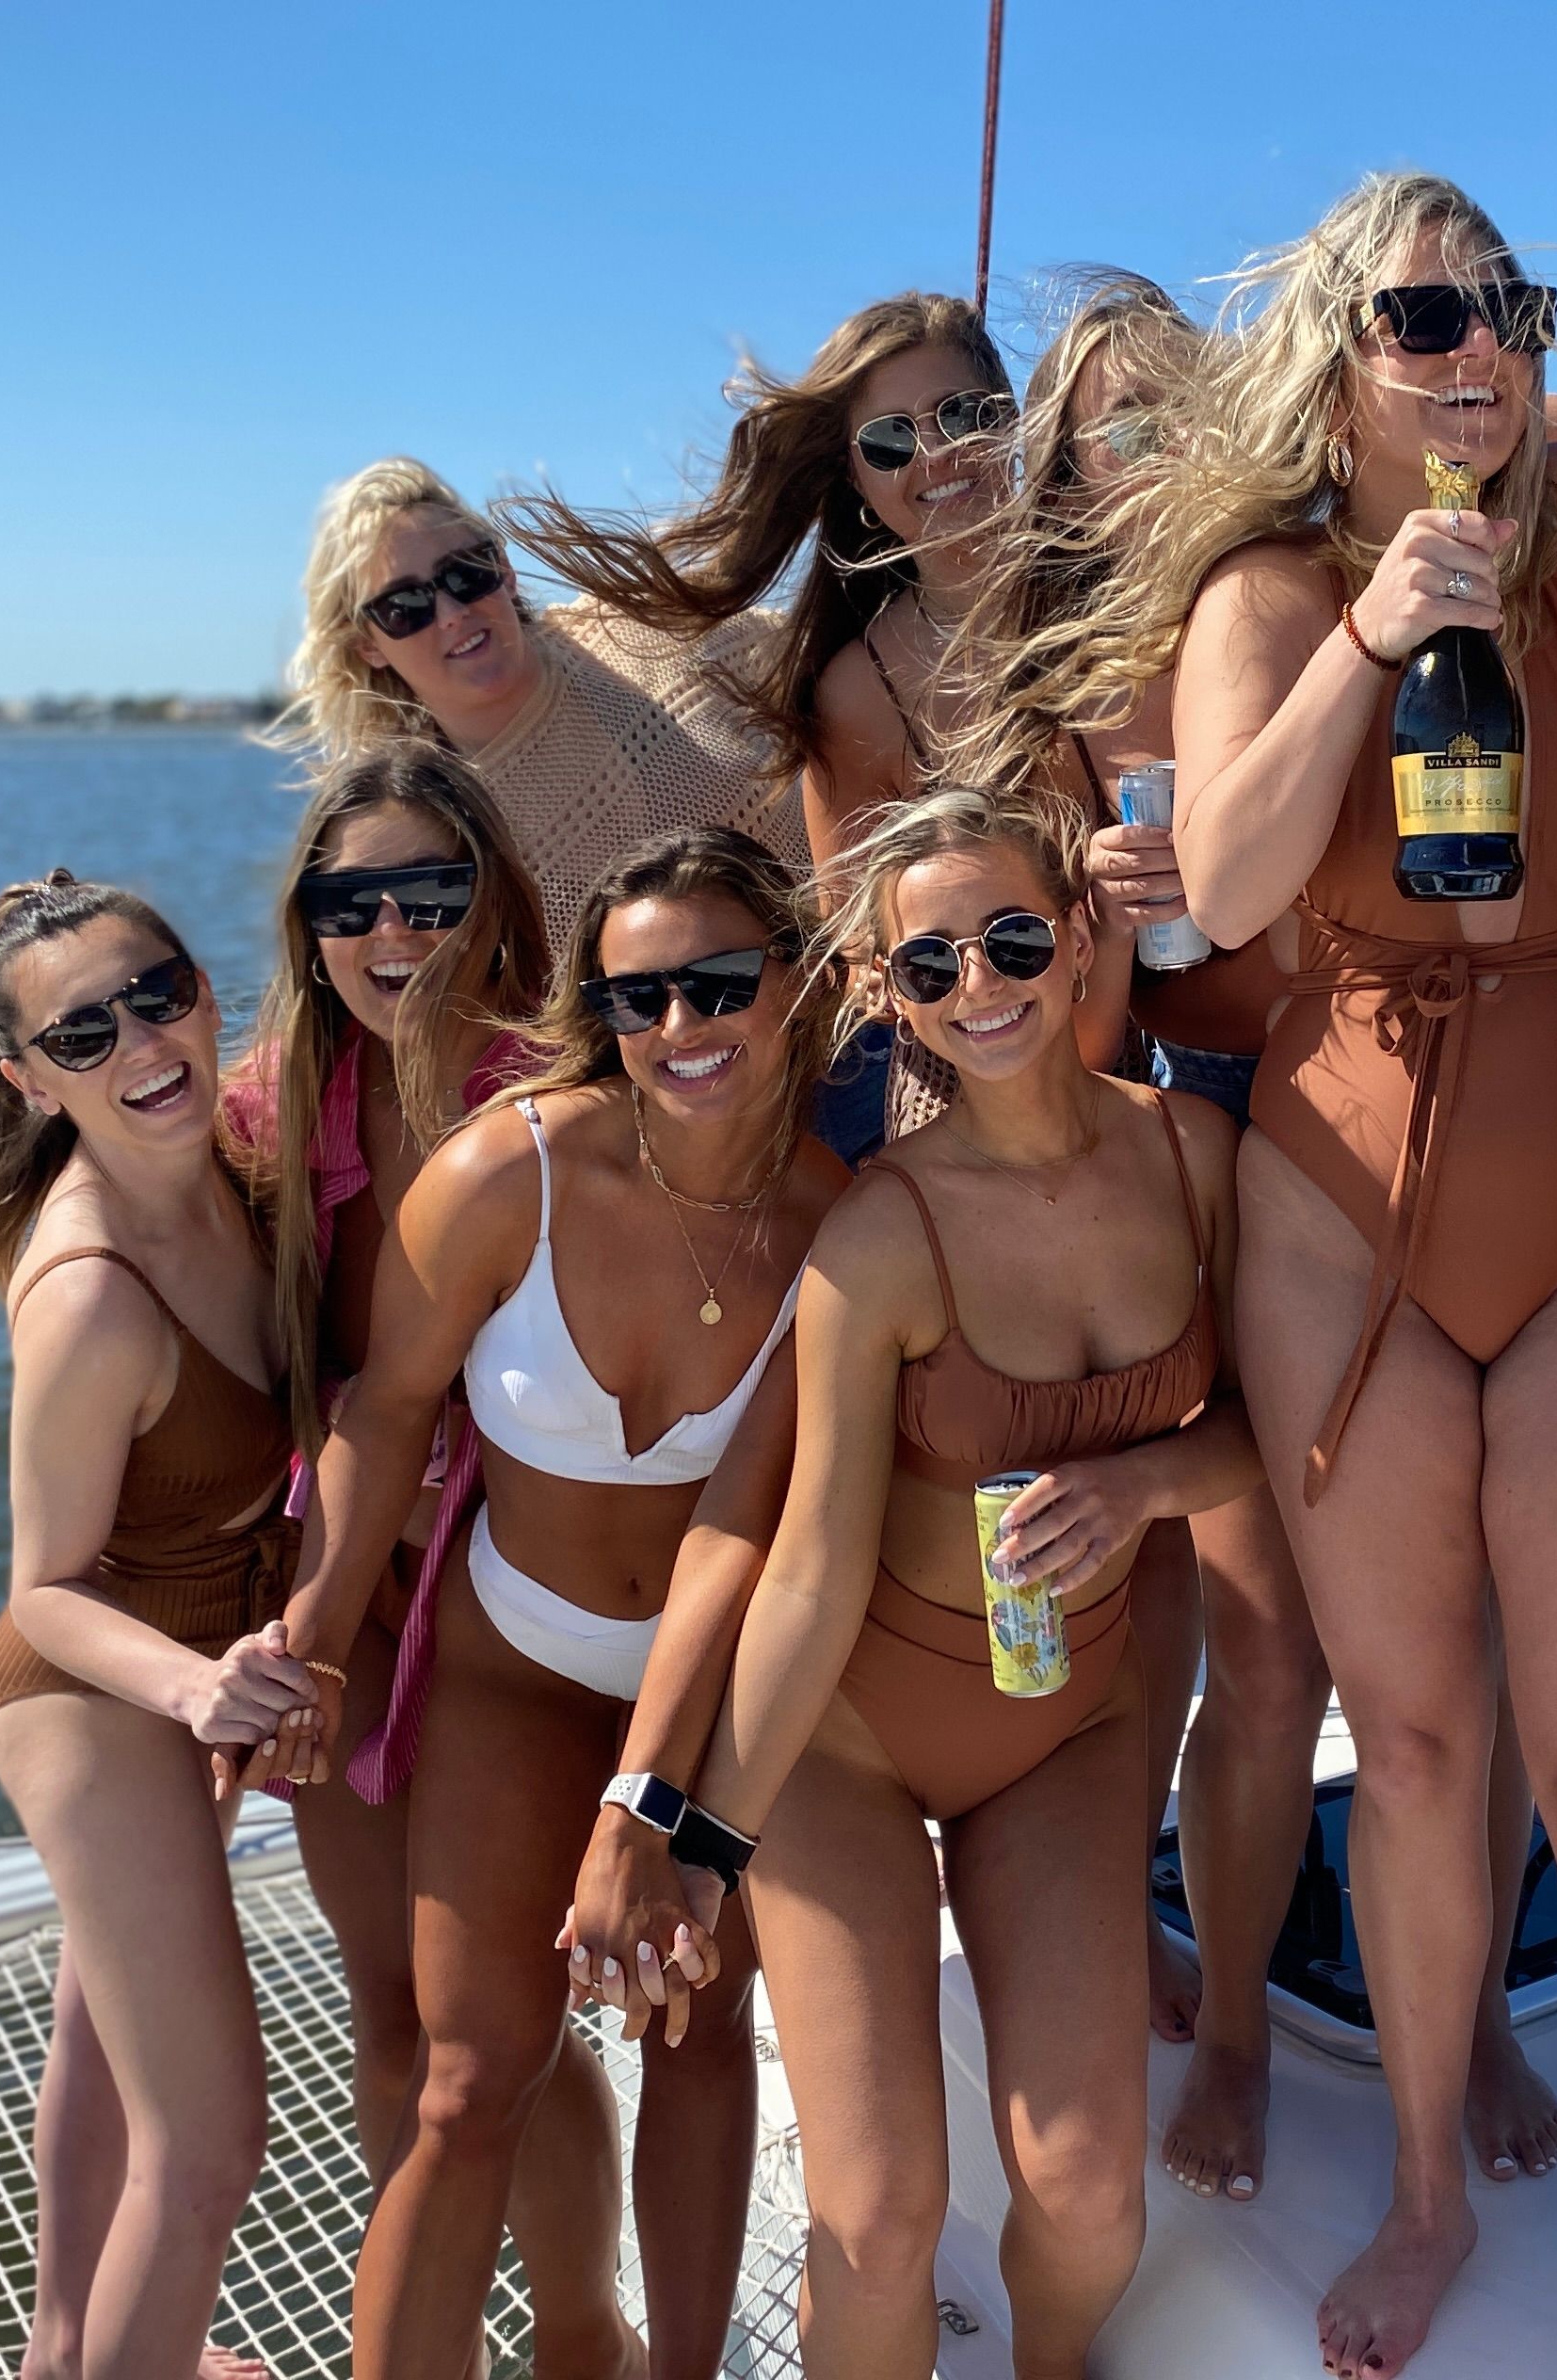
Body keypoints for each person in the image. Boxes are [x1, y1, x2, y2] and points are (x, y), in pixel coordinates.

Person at [992, 169, 1557, 2379]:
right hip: (1339, 1214)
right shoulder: (1256, 591)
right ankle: (1424, 2189)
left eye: (1498, 305)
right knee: (1411, 1744)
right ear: (1331, 356)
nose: (1472, 347)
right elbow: (1219, 891)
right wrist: (1366, 619)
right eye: (1420, 318)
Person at [1001, 273, 1557, 2211]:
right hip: (1210, 1139)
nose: (1148, 445)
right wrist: (1083, 897)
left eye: (1182, 407)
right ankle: (1239, 2031)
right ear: (1062, 456)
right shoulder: (1058, 672)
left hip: (1405, 1115)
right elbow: (1002, 995)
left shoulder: (1326, 571)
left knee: (1471, 1636)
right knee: (1264, 1651)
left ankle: (1474, 2003)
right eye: (1111, 418)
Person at [570, 784, 1261, 2380]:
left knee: (1091, 2200)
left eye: (1014, 937)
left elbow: (1270, 1434)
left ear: (1082, 934)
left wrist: (1144, 1477)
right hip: (851, 1750)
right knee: (879, 2214)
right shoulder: (879, 1235)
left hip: (1064, 1737)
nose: (982, 983)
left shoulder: (1196, 1154)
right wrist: (700, 1836)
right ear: (888, 995)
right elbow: (802, 1570)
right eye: (930, 964)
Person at [271, 828, 844, 2380]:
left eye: (721, 981)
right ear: (598, 1005)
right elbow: (385, 1411)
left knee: (698, 2029)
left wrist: (646, 1807)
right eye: (640, 993)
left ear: (794, 980)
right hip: (511, 1663)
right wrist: (314, 1636)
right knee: (471, 2079)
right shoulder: (500, 1174)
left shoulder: (832, 1221)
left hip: (720, 1694)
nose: (683, 1026)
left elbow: (745, 1524)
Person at [216, 744, 634, 2359]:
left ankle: (584, 2326)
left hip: (506, 1604)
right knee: (385, 2013)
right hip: (344, 1581)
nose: (394, 927)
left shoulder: (555, 1094)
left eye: (432, 891)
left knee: (502, 2029)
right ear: (308, 921)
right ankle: (439, 2328)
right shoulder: (267, 1113)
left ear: (495, 904)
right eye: (352, 898)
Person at [505, 293, 1137, 1137]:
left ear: (1014, 421)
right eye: (890, 441)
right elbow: (854, 940)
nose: (937, 454)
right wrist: (872, 973)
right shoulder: (859, 687)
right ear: (858, 482)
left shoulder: (1125, 596)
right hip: (981, 1073)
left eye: (963, 415)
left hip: (1169, 1039)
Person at [0, 873, 308, 2380]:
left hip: (193, 1653)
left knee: (103, 2016)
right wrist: (196, 1689)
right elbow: (44, 1583)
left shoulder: (236, 1158)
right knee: (215, 2134)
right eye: (83, 1034)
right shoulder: (90, 1289)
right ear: (29, 1081)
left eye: (158, 993)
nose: (141, 1043)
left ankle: (64, 2345)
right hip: (99, 1682)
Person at [268, 456, 803, 946]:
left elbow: (846, 674)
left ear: (505, 571)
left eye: (465, 574)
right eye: (406, 604)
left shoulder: (657, 633)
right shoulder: (433, 819)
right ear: (368, 644)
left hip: (855, 993)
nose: (452, 612)